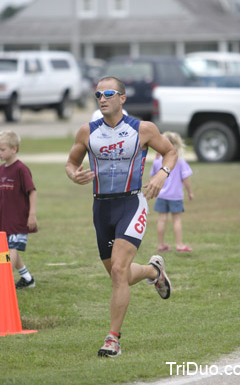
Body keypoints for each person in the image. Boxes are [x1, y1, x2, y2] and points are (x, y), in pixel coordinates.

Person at [66, 76, 177, 357]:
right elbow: (71, 162)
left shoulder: (143, 129)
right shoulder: (86, 132)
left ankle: (112, 339)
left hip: (131, 204)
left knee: (118, 271)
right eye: (98, 95)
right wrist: (74, 175)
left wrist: (162, 175)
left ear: (122, 98)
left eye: (108, 94)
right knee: (121, 275)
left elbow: (170, 152)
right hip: (101, 208)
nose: (102, 99)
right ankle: (154, 271)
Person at [0, 131, 37, 289]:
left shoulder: (21, 169)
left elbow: (32, 191)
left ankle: (4, 280)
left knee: (11, 249)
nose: (0, 153)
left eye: (2, 150)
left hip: (18, 218)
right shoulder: (2, 169)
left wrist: (32, 214)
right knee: (7, 248)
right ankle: (28, 279)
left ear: (14, 149)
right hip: (5, 218)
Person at [150, 132, 194, 253]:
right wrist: (190, 192)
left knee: (162, 220)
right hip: (175, 196)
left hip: (162, 195)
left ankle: (160, 245)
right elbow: (186, 179)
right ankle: (179, 245)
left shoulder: (157, 162)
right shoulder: (180, 162)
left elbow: (153, 176)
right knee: (177, 220)